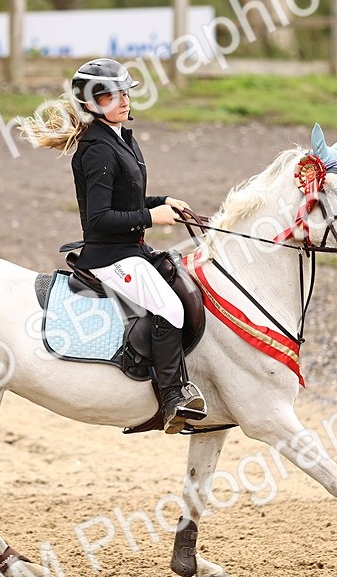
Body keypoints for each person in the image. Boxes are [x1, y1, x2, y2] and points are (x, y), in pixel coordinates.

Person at [22, 58, 207, 434]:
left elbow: (128, 198)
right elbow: (99, 219)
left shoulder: (121, 137)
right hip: (109, 256)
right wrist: (151, 217)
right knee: (169, 307)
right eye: (111, 95)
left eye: (125, 92)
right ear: (91, 104)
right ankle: (172, 398)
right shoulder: (97, 150)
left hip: (130, 250)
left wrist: (162, 202)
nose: (123, 100)